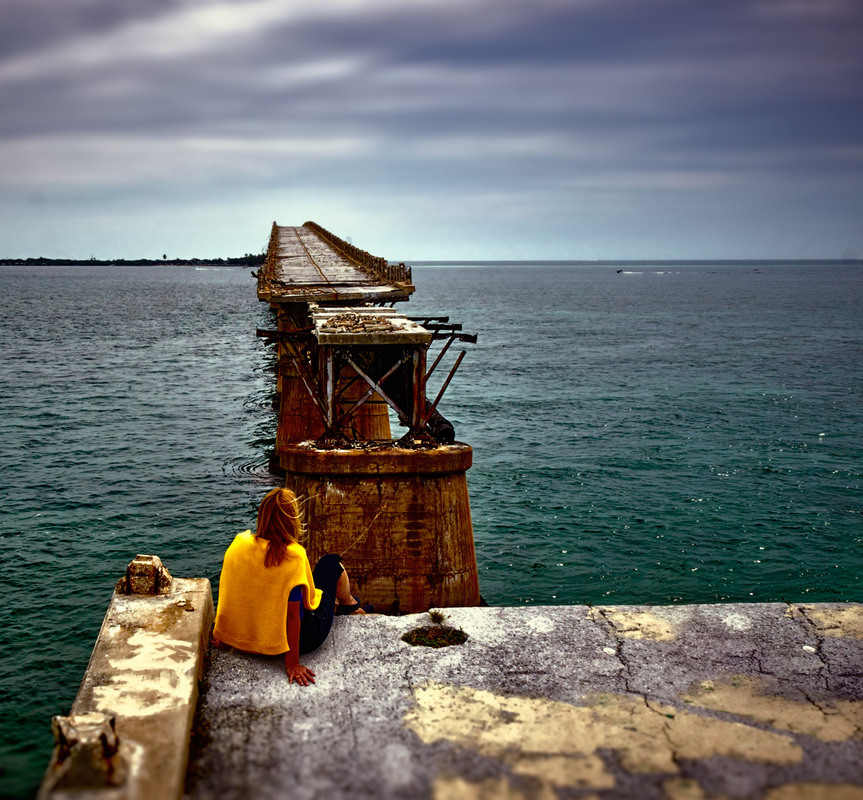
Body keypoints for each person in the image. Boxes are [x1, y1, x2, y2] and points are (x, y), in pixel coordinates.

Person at [213, 487, 367, 685]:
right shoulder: (294, 556)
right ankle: (351, 606)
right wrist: (293, 663)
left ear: (262, 516)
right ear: (292, 520)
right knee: (330, 563)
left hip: (252, 635)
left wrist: (225, 638)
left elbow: (232, 593)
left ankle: (343, 606)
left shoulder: (238, 545)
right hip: (306, 638)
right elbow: (294, 616)